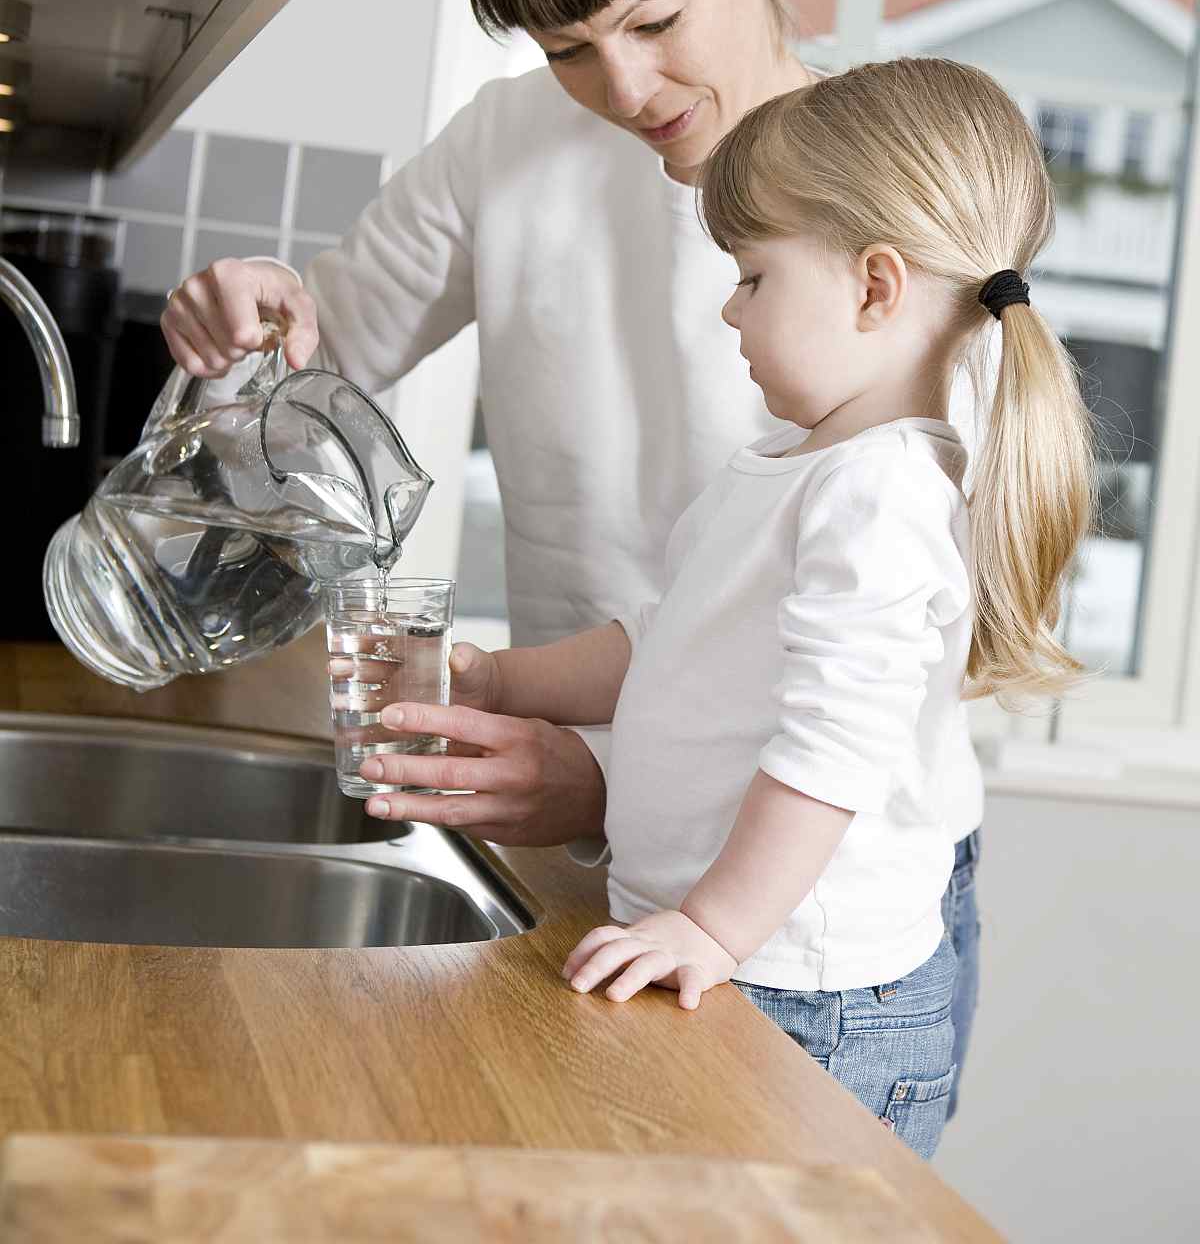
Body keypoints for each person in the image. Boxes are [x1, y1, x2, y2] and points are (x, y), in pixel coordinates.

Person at [160, 0, 987, 1114]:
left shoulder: (898, 204)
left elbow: (893, 657)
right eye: (566, 49)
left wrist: (603, 775)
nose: (624, 86)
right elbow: (277, 431)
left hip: (819, 906)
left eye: (654, 17)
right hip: (607, 852)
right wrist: (246, 331)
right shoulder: (508, 144)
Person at [377, 58, 1096, 1159]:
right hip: (734, 958)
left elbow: (834, 744)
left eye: (755, 276)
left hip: (807, 1000)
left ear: (874, 285)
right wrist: (496, 679)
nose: (730, 306)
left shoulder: (879, 491)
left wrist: (712, 924)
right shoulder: (800, 465)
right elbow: (670, 646)